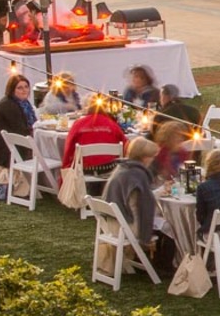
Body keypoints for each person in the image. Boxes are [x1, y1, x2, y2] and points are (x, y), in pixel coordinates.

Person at [101, 137, 172, 272]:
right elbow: (145, 207)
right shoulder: (137, 174)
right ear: (144, 157)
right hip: (128, 225)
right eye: (152, 157)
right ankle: (164, 265)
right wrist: (147, 237)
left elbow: (140, 198)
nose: (152, 160)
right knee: (169, 226)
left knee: (162, 221)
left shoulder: (123, 168)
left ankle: (145, 259)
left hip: (112, 223)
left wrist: (161, 190)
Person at [0, 74, 37, 199]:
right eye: (20, 88)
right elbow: (22, 131)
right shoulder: (9, 106)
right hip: (5, 150)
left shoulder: (21, 103)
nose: (24, 90)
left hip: (10, 144)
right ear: (12, 90)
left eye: (26, 87)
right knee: (44, 149)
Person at [61, 95, 127, 169]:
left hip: (84, 171)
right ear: (105, 108)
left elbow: (68, 150)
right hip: (110, 170)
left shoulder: (78, 124)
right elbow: (126, 147)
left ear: (88, 107)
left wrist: (64, 173)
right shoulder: (113, 125)